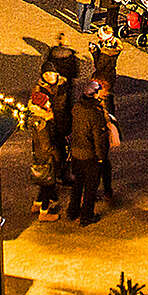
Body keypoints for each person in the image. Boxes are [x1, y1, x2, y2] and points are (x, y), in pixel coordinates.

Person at [65, 78, 112, 225]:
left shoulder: (77, 108)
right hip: (90, 155)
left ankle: (72, 211)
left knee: (78, 184)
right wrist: (100, 157)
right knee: (91, 187)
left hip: (76, 153)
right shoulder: (94, 113)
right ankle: (86, 216)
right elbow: (98, 137)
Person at [28, 81, 62, 221]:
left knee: (44, 182)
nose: (49, 105)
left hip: (39, 156)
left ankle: (37, 204)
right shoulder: (42, 122)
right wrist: (56, 153)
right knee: (48, 184)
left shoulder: (36, 118)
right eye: (47, 103)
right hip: (46, 157)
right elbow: (46, 145)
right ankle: (44, 212)